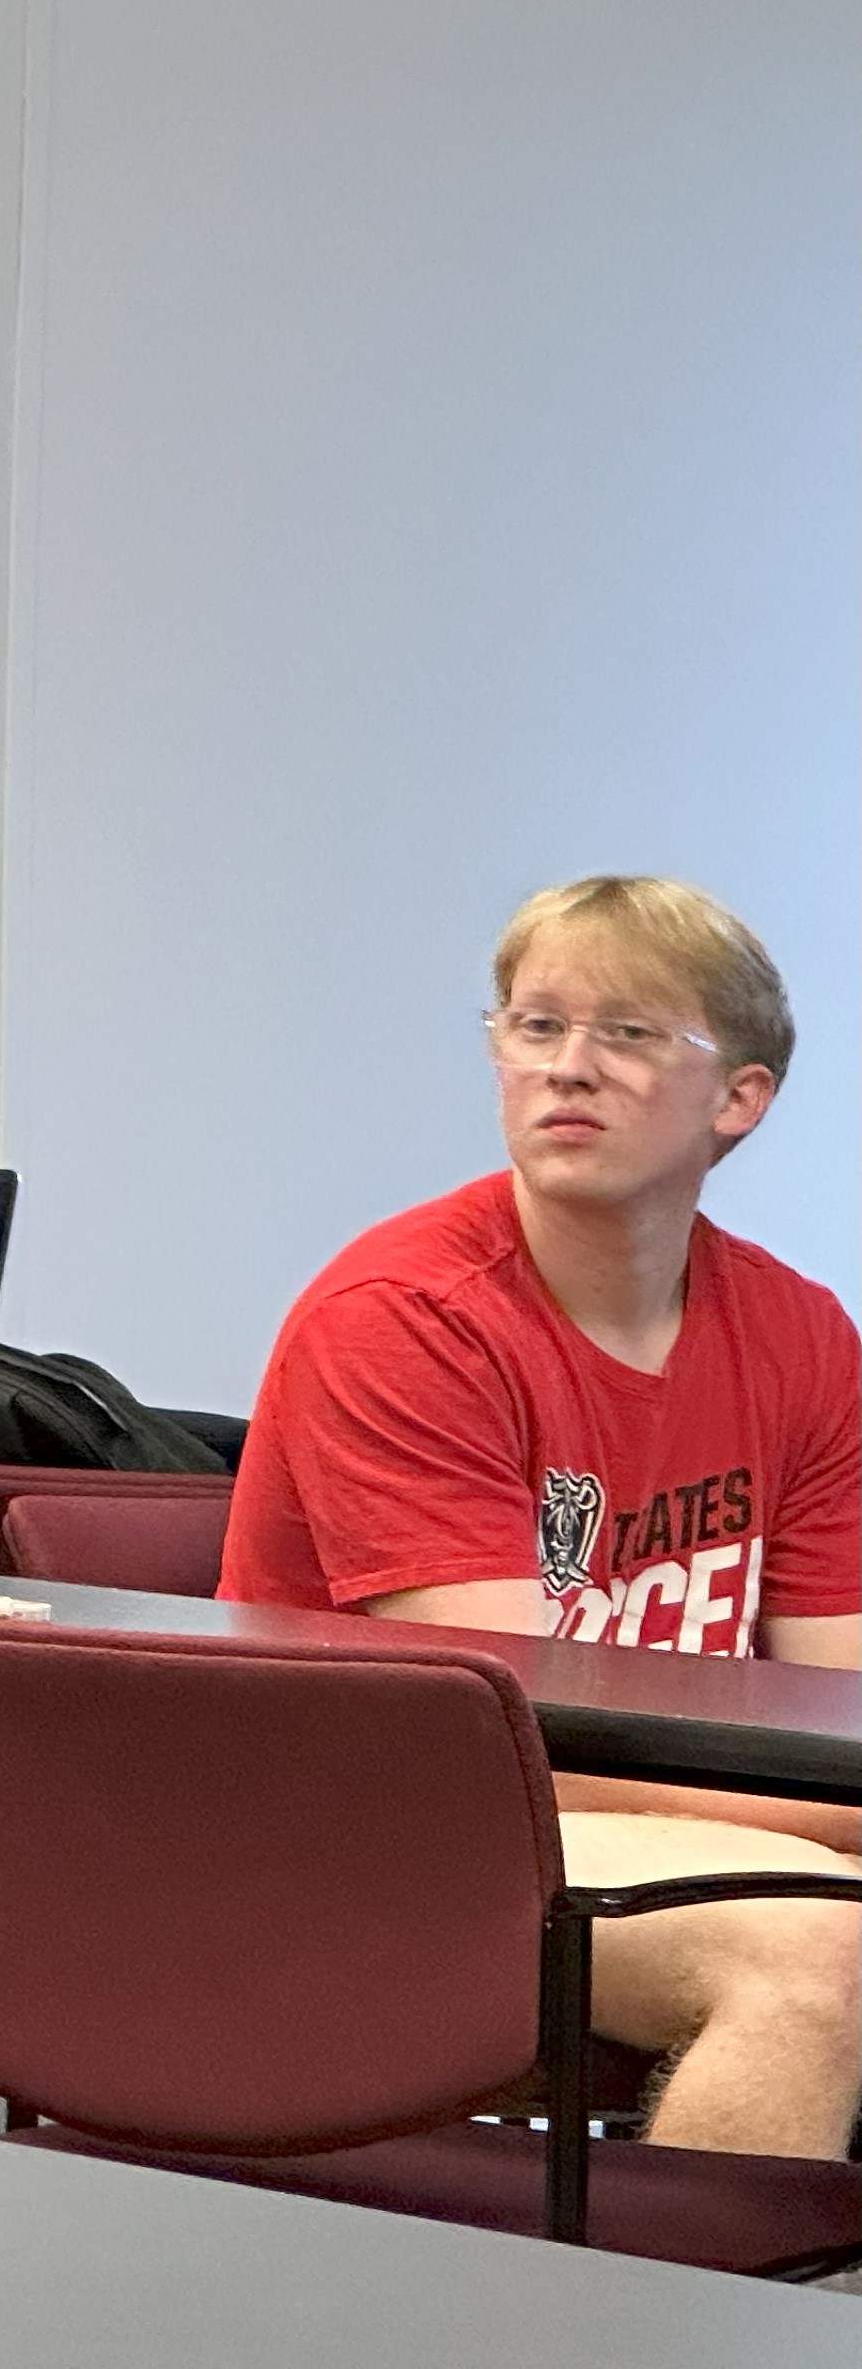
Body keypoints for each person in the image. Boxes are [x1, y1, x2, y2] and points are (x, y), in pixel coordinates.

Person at [222, 875, 859, 2159]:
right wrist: (834, 1820)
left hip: (642, 1807)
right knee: (821, 1943)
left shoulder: (798, 1332)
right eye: (535, 1026)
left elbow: (832, 1700)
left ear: (740, 1099)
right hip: (385, 1824)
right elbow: (503, 1736)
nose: (569, 1067)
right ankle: (674, 2293)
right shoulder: (405, 1319)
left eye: (630, 1033)